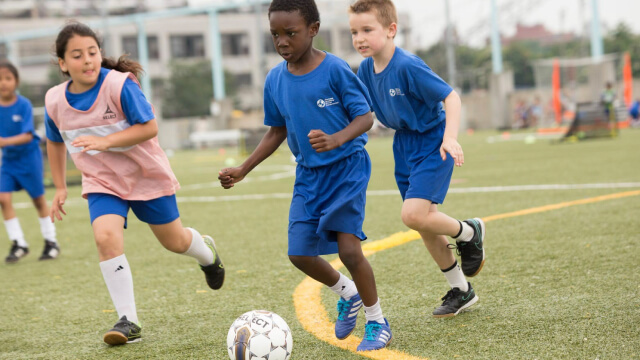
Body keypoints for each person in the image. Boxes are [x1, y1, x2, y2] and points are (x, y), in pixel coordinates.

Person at [218, 0, 391, 352]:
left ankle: (377, 321)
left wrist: (336, 138)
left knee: (349, 251)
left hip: (347, 169)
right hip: (308, 176)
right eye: (275, 34)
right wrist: (243, 169)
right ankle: (348, 293)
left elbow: (365, 117)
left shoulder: (335, 70)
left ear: (313, 30)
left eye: (290, 33)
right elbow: (276, 130)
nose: (282, 41)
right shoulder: (275, 79)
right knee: (299, 253)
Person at [44, 22, 225, 346]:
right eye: (77, 55)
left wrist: (108, 141)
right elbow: (55, 141)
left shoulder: (119, 86)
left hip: (145, 175)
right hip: (102, 181)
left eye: (92, 52)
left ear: (100, 54)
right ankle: (129, 320)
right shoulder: (55, 100)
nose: (87, 60)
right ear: (62, 63)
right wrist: (59, 187)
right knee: (105, 237)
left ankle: (207, 253)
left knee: (175, 242)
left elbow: (150, 127)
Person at [349, 0, 485, 317]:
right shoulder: (366, 69)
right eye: (354, 32)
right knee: (424, 223)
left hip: (432, 141)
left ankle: (469, 232)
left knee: (412, 215)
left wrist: (449, 138)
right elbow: (361, 110)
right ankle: (462, 291)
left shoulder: (407, 65)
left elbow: (451, 97)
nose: (359, 38)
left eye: (367, 30)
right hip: (404, 146)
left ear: (391, 30)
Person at [0, 61, 59, 263]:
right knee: (3, 199)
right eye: (0, 79)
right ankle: (19, 243)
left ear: (16, 81)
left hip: (29, 159)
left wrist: (4, 141)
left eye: (8, 78)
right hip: (8, 162)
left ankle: (51, 242)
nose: (3, 83)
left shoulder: (23, 104)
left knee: (38, 200)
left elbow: (27, 135)